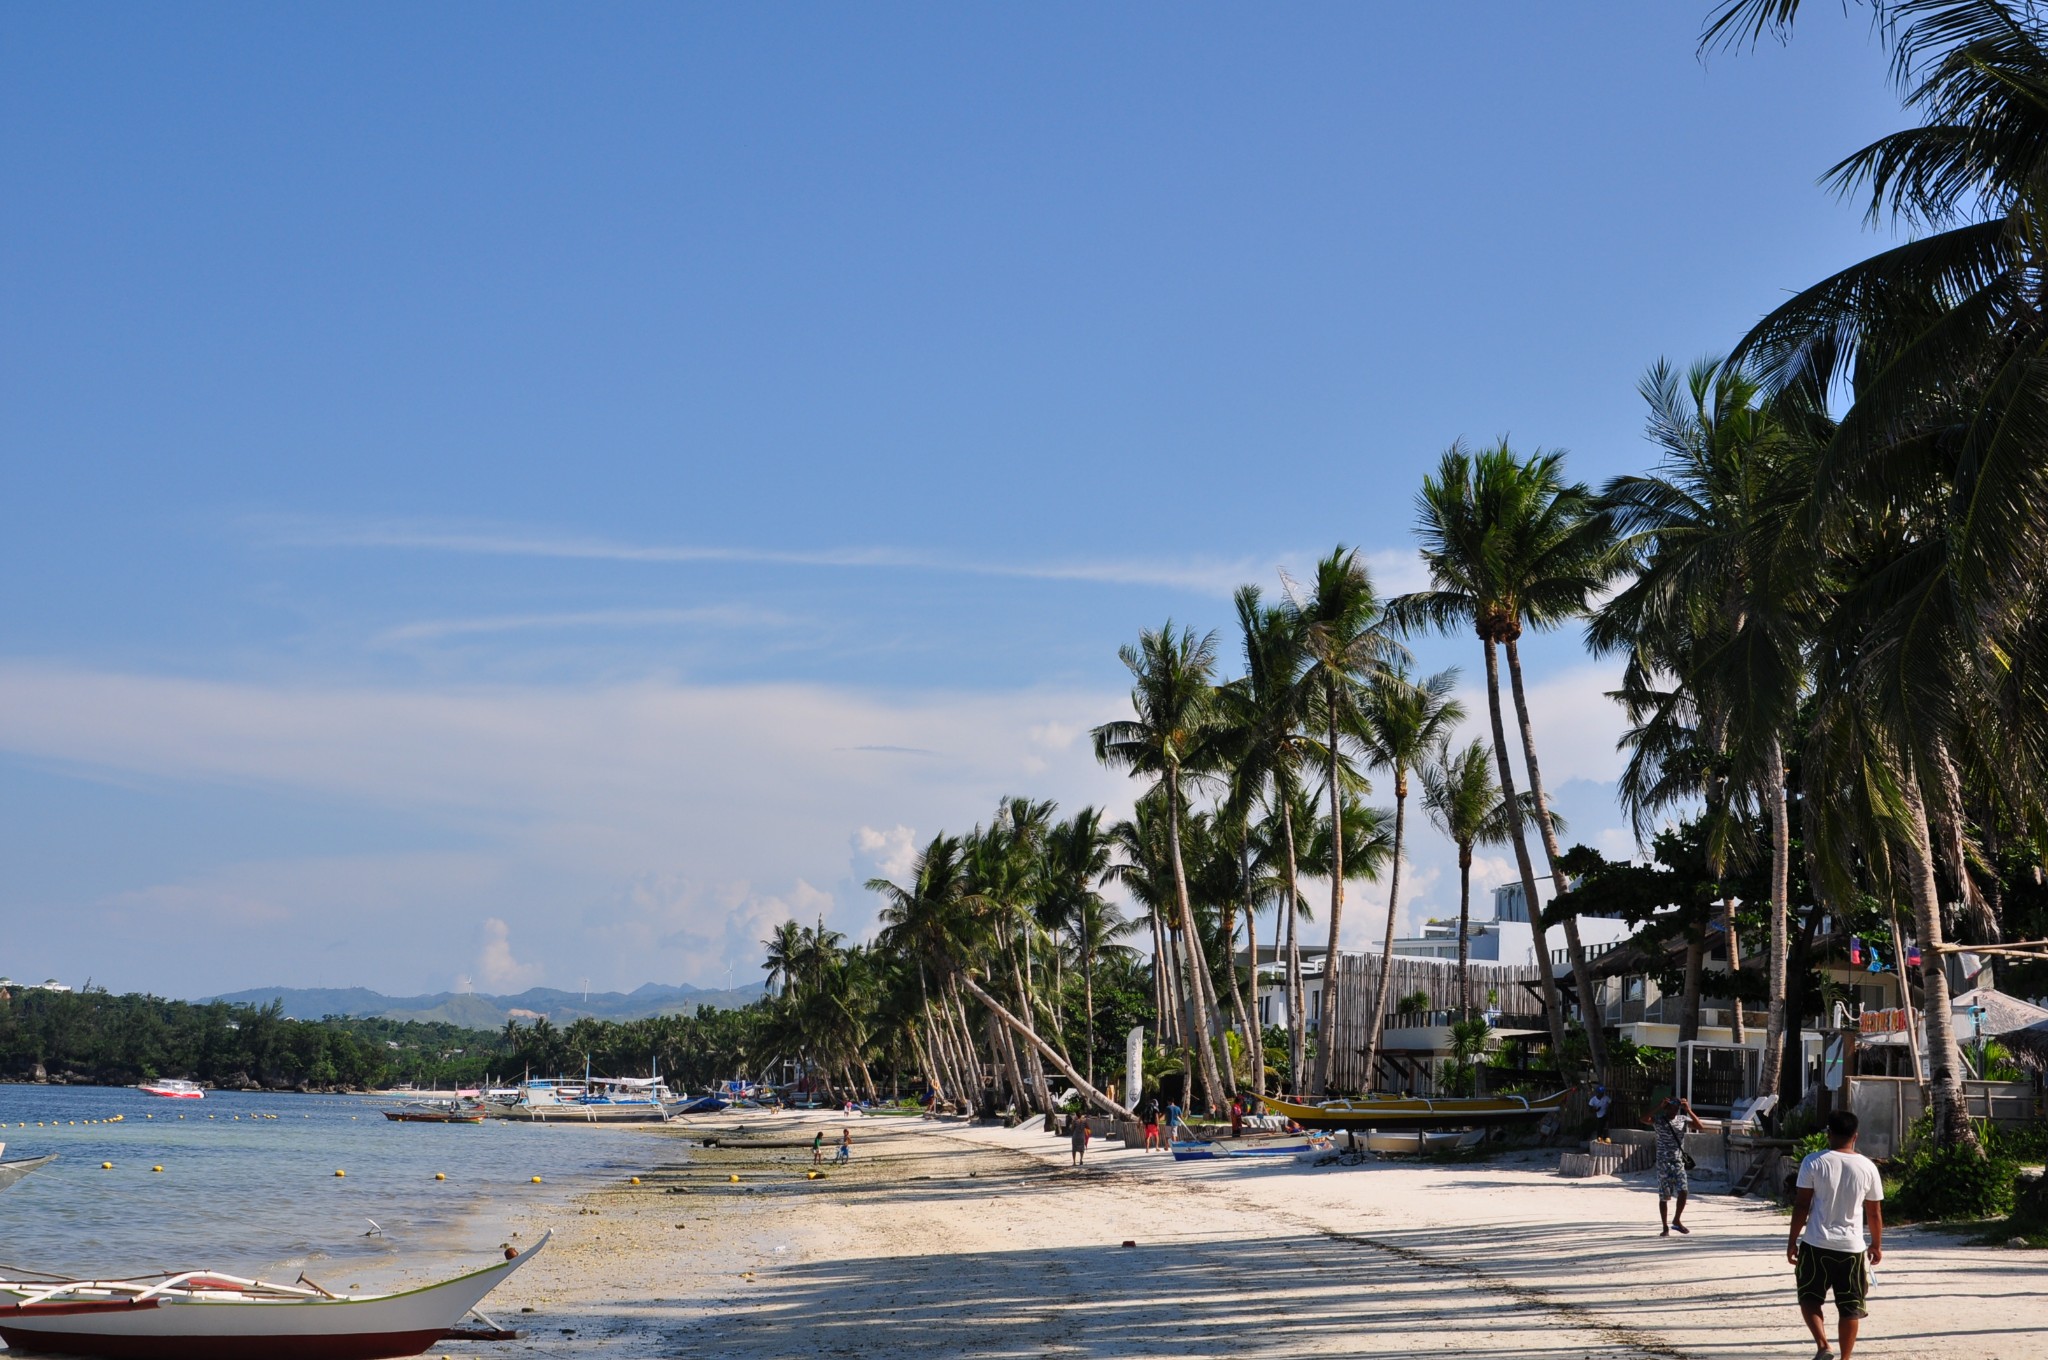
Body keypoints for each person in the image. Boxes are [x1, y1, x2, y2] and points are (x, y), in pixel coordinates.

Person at [1788, 1110, 1884, 1360]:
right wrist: (1876, 1245)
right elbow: (1874, 1212)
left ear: (1828, 1134)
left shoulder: (1813, 1161)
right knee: (1850, 1308)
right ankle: (1845, 1358)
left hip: (1816, 1243)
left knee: (1809, 1297)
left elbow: (1801, 1205)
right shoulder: (1868, 1167)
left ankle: (1823, 1345)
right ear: (1856, 1135)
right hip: (1852, 1248)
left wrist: (1792, 1241)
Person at [1650, 1095, 1703, 1236]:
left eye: (1676, 1108)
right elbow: (1643, 1119)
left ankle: (1677, 1220)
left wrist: (1689, 1110)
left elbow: (1700, 1126)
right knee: (1664, 1196)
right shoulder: (1659, 1120)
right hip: (1663, 1163)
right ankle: (1665, 1227)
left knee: (1684, 1190)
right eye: (1671, 1107)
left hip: (1678, 1161)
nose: (1673, 1110)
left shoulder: (1682, 1120)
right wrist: (1658, 1107)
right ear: (1666, 1108)